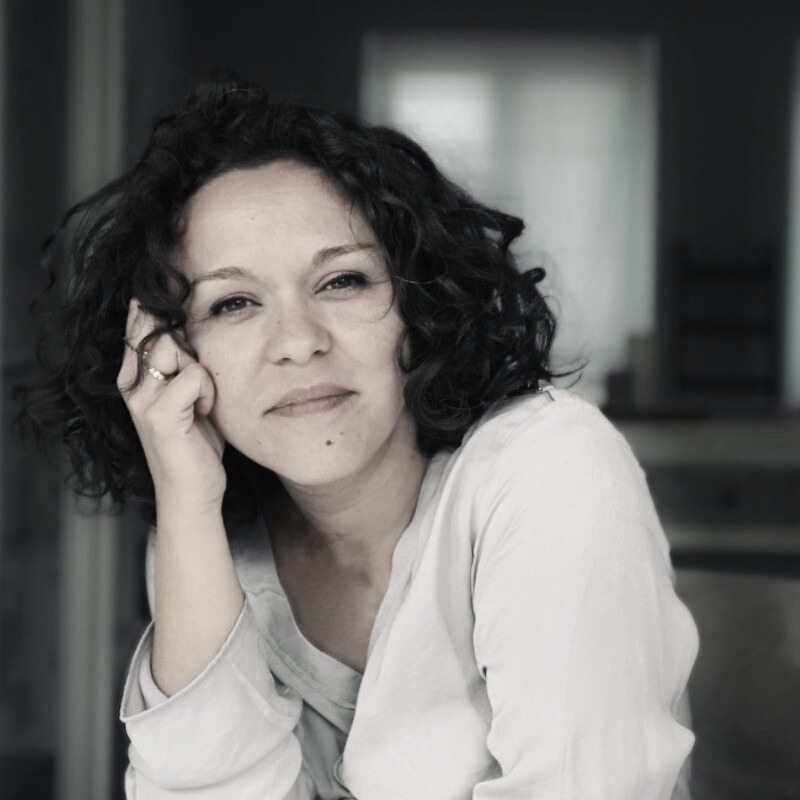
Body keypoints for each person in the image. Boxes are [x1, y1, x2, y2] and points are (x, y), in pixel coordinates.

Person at [18, 75, 698, 799]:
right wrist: (185, 504)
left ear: (419, 303)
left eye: (342, 281)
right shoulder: (206, 538)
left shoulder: (552, 473)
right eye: (234, 302)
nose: (298, 341)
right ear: (170, 351)